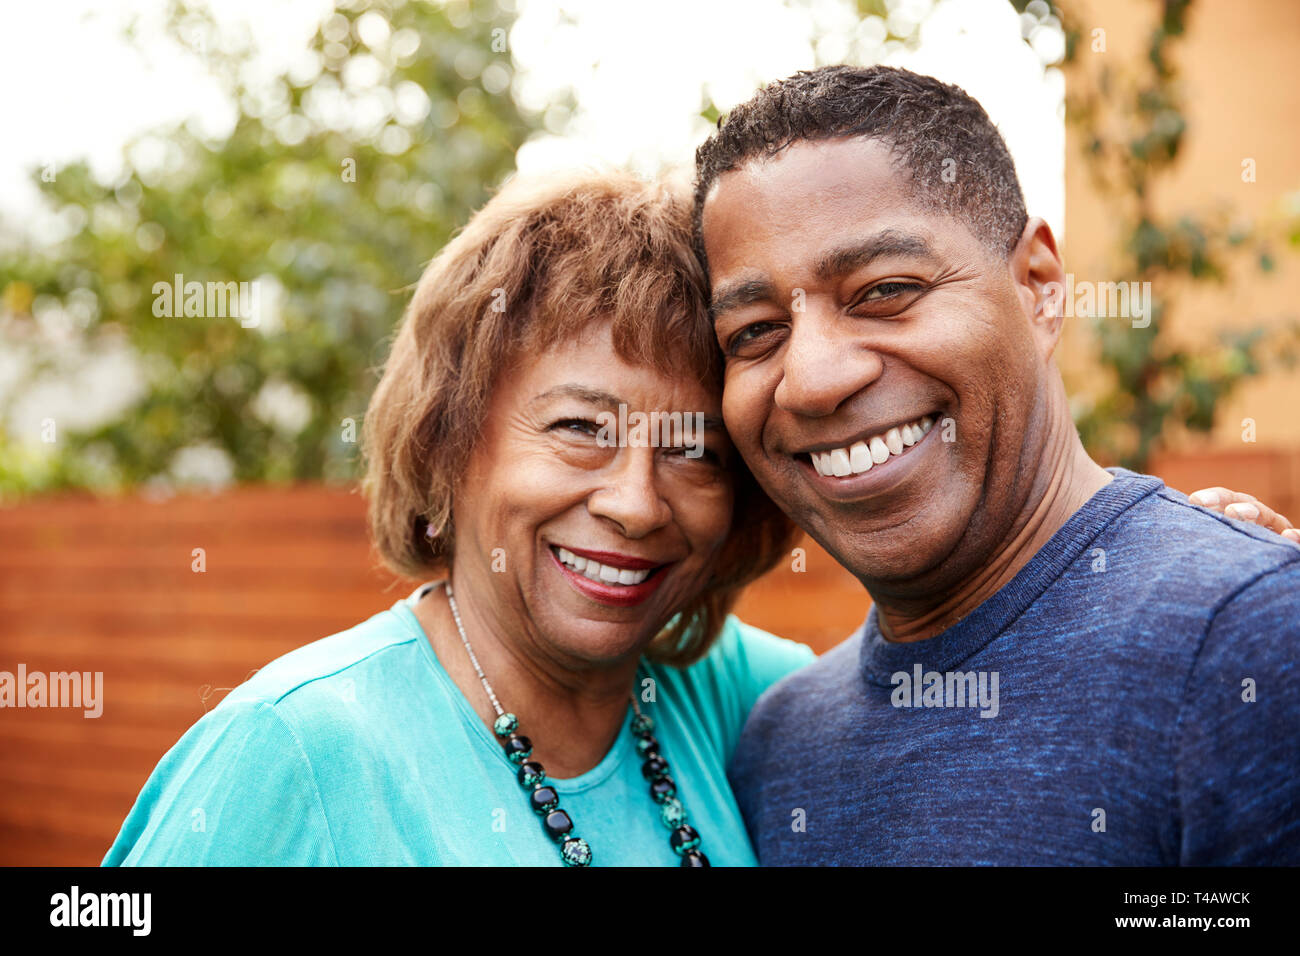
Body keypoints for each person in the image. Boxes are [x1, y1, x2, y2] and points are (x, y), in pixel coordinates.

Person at [103, 171, 811, 866]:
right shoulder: (293, 749)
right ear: (446, 438)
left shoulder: (744, 698)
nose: (635, 505)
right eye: (580, 427)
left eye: (694, 450)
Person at [693, 65, 1300, 865]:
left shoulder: (1250, 646)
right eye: (754, 332)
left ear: (1037, 286)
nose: (811, 380)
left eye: (885, 290)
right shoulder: (772, 749)